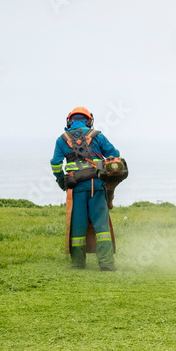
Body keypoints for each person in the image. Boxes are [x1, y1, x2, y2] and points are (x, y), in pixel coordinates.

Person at [50, 107, 121, 271]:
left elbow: (55, 163)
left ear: (69, 121)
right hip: (96, 186)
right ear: (89, 121)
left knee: (78, 226)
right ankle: (107, 264)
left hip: (76, 188)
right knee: (102, 227)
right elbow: (114, 154)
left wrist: (61, 180)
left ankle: (78, 264)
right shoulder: (97, 136)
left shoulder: (61, 140)